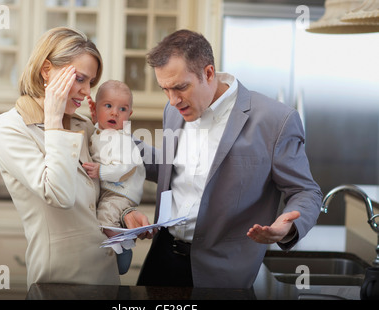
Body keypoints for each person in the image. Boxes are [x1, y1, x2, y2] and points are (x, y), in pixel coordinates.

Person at [124, 29, 323, 289]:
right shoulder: (174, 110)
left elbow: (306, 192)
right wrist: (110, 137)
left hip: (221, 273)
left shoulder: (276, 120)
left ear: (208, 73)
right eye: (165, 89)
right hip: (162, 258)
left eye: (180, 87)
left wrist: (289, 226)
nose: (172, 100)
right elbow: (172, 168)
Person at [0, 27, 120, 289]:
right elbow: (59, 194)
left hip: (106, 280)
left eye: (90, 83)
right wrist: (52, 119)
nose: (86, 93)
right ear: (47, 69)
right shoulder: (10, 127)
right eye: (80, 78)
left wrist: (126, 212)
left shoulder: (81, 126)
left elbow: (106, 186)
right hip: (58, 283)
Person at [82, 80, 146, 275]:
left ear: (129, 116)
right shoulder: (101, 132)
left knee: (105, 219)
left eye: (122, 109)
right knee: (104, 219)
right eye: (108, 106)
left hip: (121, 191)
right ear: (96, 109)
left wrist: (101, 172)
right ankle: (120, 239)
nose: (114, 113)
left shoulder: (121, 139)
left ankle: (124, 248)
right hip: (113, 189)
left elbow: (127, 168)